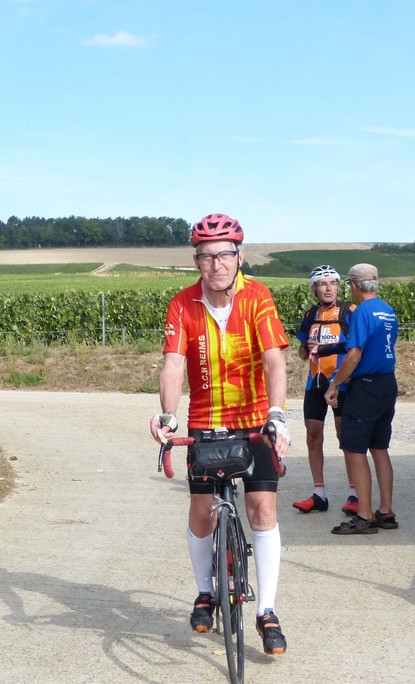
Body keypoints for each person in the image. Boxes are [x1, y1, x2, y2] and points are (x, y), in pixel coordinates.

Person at [149, 213, 292, 656]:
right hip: (206, 419)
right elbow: (174, 365)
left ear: (239, 256)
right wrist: (168, 415)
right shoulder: (182, 304)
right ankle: (205, 592)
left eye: (225, 254)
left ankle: (266, 610)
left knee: (262, 509)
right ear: (196, 261)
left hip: (255, 419)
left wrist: (277, 415)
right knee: (202, 512)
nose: (217, 264)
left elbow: (274, 360)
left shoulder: (258, 297)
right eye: (207, 256)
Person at [324, 263, 399, 534]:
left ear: (354, 286)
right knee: (379, 447)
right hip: (387, 381)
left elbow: (354, 354)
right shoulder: (388, 310)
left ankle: (364, 515)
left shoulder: (361, 312)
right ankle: (386, 512)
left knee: (354, 448)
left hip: (366, 385)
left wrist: (335, 383)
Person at [292, 265, 359, 515]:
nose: (329, 288)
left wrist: (327, 350)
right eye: (323, 284)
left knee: (345, 437)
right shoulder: (310, 314)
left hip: (342, 383)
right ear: (314, 289)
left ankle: (355, 494)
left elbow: (356, 348)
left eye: (333, 283)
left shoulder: (349, 311)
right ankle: (319, 494)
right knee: (313, 436)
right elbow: (301, 352)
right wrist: (306, 347)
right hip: (315, 383)